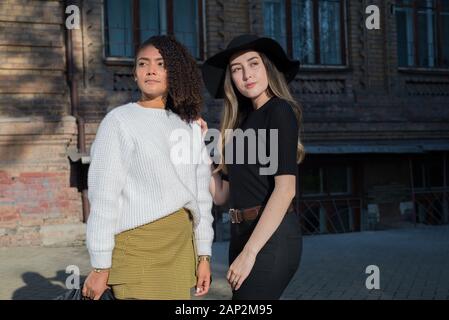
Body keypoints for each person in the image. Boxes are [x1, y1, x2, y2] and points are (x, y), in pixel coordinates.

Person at [82, 35, 214, 300]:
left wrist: (204, 255)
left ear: (174, 73)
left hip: (180, 248)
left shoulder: (190, 126)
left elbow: (202, 197)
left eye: (160, 64)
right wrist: (100, 264)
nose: (151, 70)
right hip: (138, 249)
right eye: (143, 64)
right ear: (135, 74)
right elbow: (104, 197)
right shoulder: (119, 121)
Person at [201, 34, 305, 300]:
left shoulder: (279, 110)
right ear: (231, 79)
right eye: (237, 69)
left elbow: (285, 190)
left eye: (253, 63)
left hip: (271, 239)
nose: (246, 74)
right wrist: (199, 148)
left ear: (267, 67)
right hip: (241, 235)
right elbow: (222, 195)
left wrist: (250, 252)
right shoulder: (240, 124)